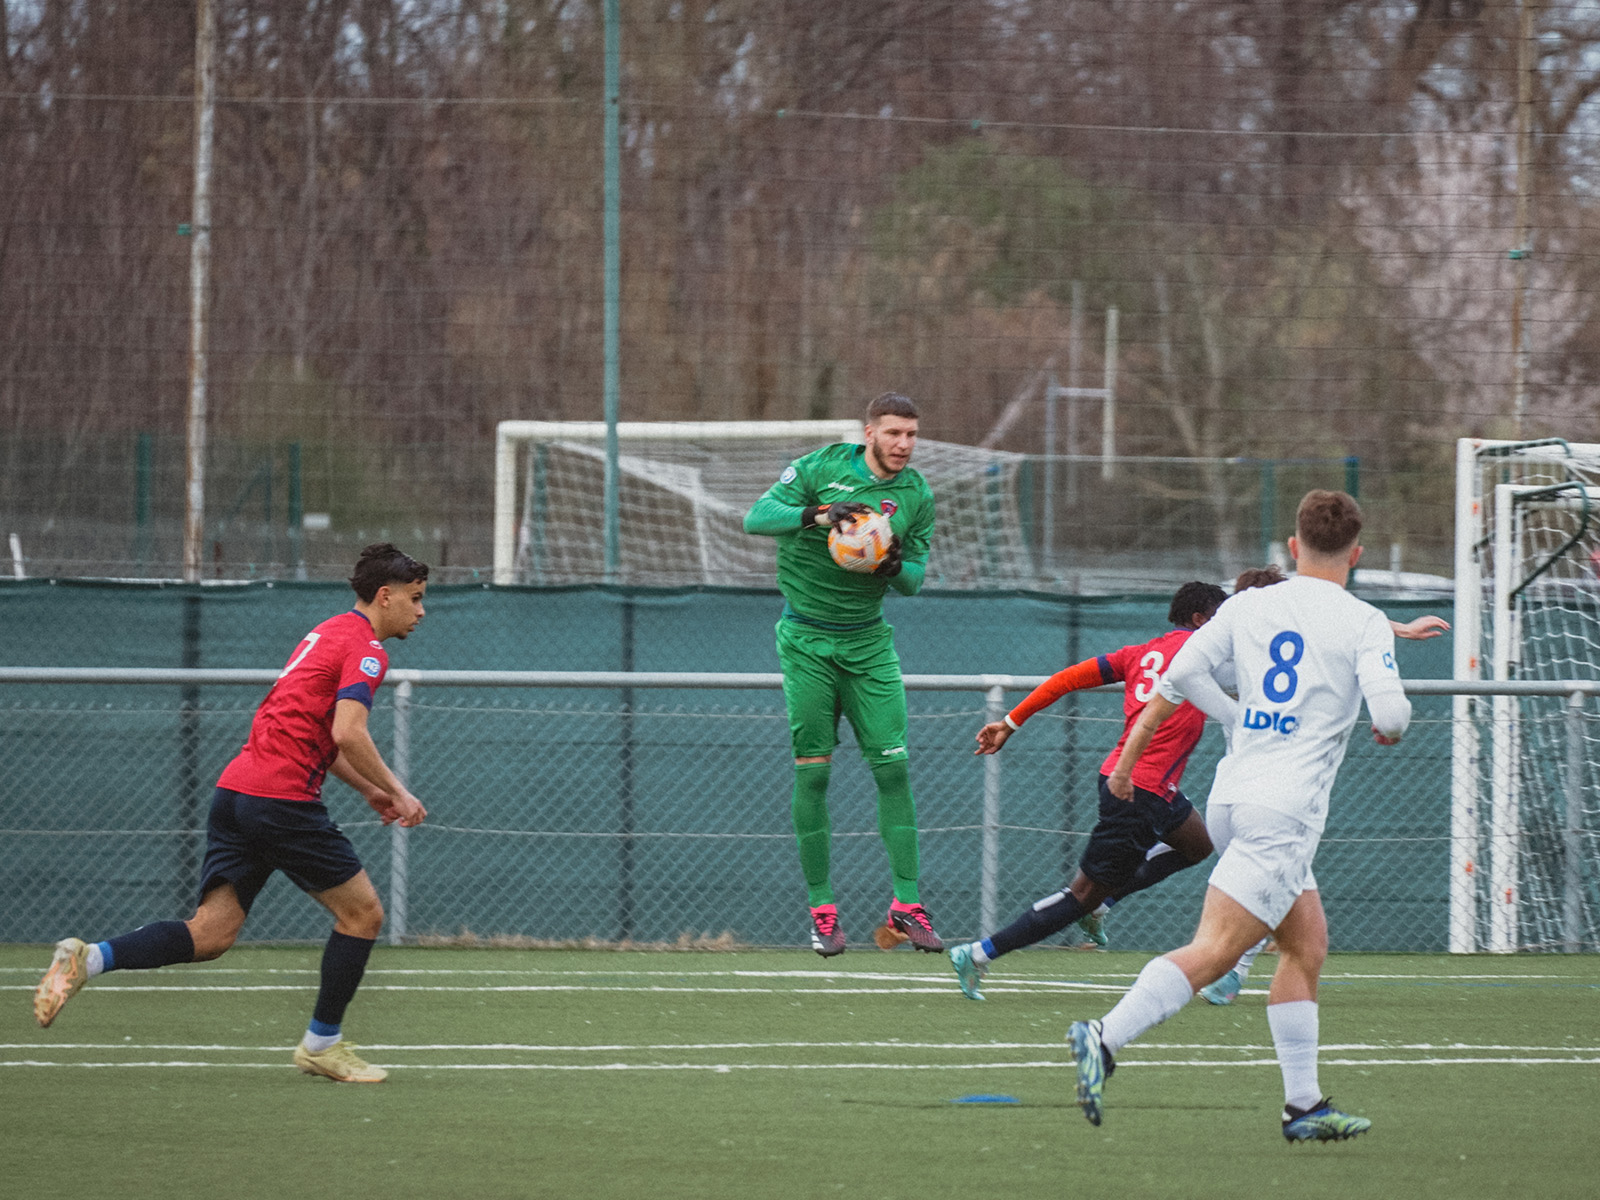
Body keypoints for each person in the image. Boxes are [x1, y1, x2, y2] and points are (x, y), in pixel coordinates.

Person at [1068, 491, 1411, 1143]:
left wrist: (1237, 717)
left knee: (1305, 943)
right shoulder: (1363, 619)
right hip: (1282, 811)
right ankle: (1104, 1038)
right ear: (1358, 556)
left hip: (1232, 793)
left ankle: (1303, 1107)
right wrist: (1389, 729)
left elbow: (1182, 674)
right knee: (1218, 951)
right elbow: (1390, 716)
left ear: (1292, 546)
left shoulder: (1250, 603)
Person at [33, 543, 431, 1084]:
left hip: (237, 791)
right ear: (385, 597)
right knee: (363, 915)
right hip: (281, 799)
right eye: (415, 598)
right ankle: (322, 1044)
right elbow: (347, 731)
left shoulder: (326, 631)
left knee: (212, 933)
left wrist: (367, 790)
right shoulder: (366, 651)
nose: (421, 611)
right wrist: (399, 790)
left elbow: (319, 735)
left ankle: (89, 957)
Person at [946, 580, 1229, 1000]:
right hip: (1136, 790)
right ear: (1200, 620)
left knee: (1198, 844)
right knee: (1079, 895)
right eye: (1223, 620)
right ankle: (980, 953)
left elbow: (1065, 679)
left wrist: (1011, 722)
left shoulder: (1137, 655)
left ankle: (1103, 903)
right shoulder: (1201, 656)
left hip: (1152, 786)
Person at [743, 392, 940, 956]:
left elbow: (913, 582)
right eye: (894, 433)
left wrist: (892, 557)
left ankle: (906, 904)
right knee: (814, 776)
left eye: (911, 435)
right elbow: (756, 517)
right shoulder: (821, 468)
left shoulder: (916, 494)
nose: (904, 445)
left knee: (894, 771)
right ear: (869, 432)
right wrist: (818, 515)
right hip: (806, 641)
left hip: (868, 645)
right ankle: (823, 913)